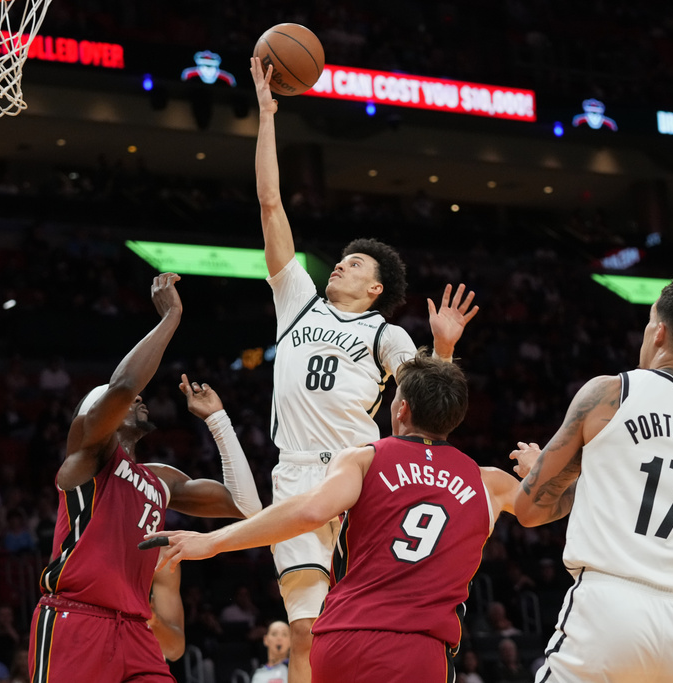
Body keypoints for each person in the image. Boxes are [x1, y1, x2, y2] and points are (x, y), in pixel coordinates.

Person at [250, 56, 479, 683]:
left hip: (368, 477)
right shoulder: (297, 302)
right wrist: (268, 116)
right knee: (305, 629)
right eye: (342, 261)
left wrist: (444, 346)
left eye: (355, 265)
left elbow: (429, 398)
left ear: (377, 288)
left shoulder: (386, 333)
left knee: (371, 619)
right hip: (298, 472)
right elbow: (271, 204)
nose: (341, 267)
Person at [146, 351, 533, 683]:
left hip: (344, 638)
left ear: (401, 409)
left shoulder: (366, 457)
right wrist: (538, 471)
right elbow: (550, 508)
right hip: (419, 647)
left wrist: (213, 541)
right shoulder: (489, 481)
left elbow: (309, 511)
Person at [513, 279, 673, 682]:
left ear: (659, 331)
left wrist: (563, 468)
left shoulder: (609, 393)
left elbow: (528, 511)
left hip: (607, 612)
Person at [28, 272, 261, 683]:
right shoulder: (88, 453)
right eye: (124, 401)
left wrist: (219, 421)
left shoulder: (160, 480)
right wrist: (170, 316)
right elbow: (123, 385)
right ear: (98, 413)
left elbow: (246, 506)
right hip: (76, 618)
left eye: (140, 399)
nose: (140, 398)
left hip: (136, 629)